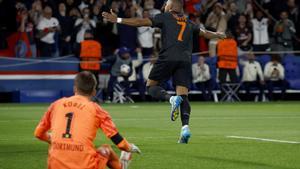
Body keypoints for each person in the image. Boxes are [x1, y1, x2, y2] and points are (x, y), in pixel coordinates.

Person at [102, 0, 225, 144]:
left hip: (168, 57)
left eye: (167, 3)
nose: (165, 5)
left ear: (171, 7)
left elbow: (140, 22)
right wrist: (218, 34)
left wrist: (117, 19)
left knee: (150, 86)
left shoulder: (165, 16)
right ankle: (185, 127)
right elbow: (205, 33)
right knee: (183, 94)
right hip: (185, 60)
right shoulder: (188, 22)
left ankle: (170, 99)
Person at [34, 71, 141, 169]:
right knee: (105, 150)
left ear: (75, 88)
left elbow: (38, 133)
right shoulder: (96, 109)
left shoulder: (56, 105)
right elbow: (117, 140)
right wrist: (128, 148)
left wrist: (54, 139)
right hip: (84, 166)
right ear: (94, 91)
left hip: (55, 166)